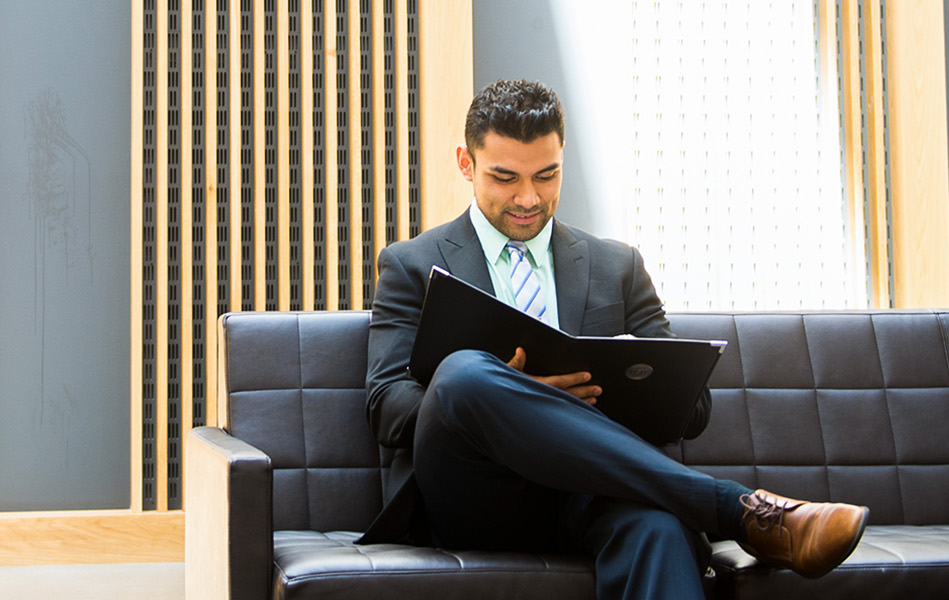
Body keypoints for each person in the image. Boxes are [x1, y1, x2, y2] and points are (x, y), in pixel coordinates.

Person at [359, 79, 868, 599]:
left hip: (593, 491)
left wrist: (615, 389)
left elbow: (690, 411)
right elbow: (387, 407)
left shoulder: (616, 267)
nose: (528, 198)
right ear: (467, 163)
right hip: (474, 494)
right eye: (505, 178)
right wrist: (509, 392)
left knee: (659, 527)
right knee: (463, 374)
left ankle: (724, 512)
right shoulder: (412, 265)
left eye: (547, 175)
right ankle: (733, 509)